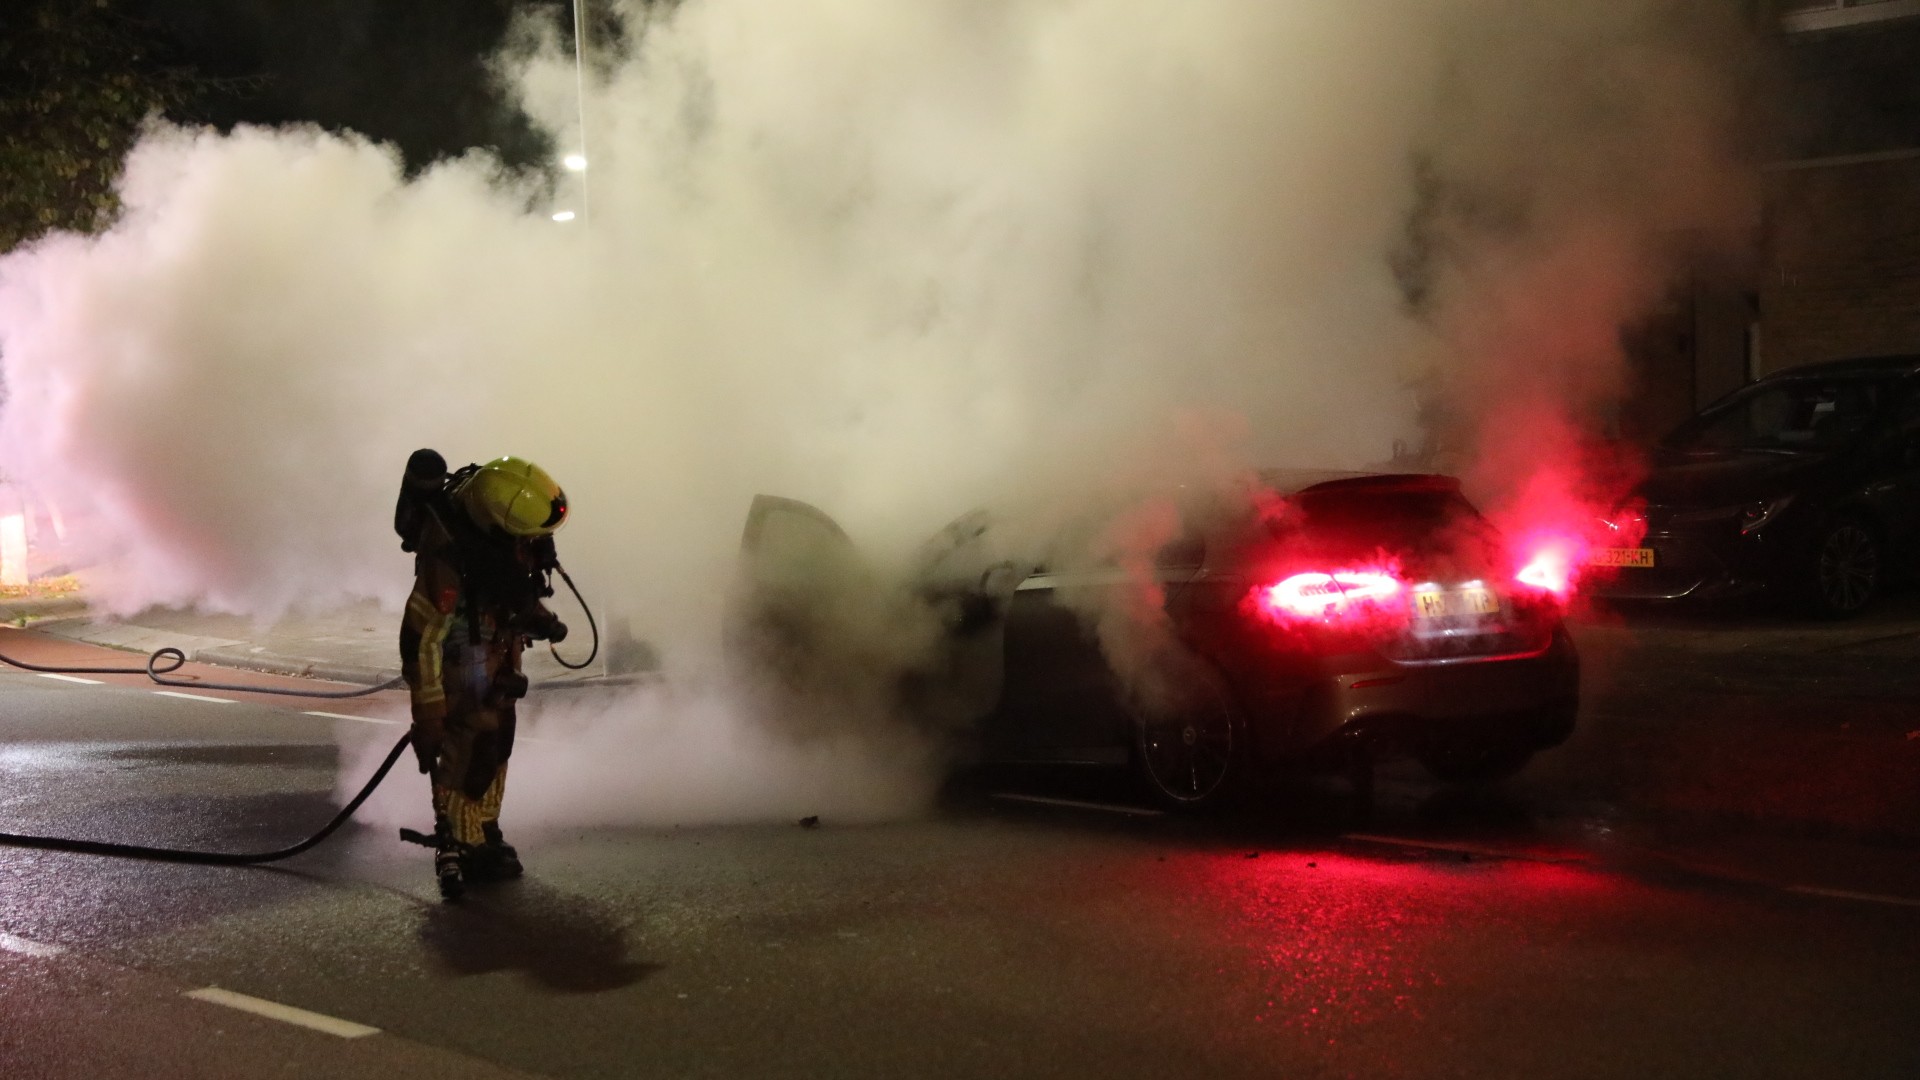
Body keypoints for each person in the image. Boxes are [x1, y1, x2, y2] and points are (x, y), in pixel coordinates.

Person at [397, 453, 570, 901]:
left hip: (498, 660)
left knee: (499, 743)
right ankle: (463, 841)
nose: (536, 545)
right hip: (462, 664)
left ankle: (485, 828)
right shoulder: (450, 561)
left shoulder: (502, 547)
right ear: (498, 525)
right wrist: (430, 715)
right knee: (470, 749)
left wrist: (540, 620)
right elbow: (421, 641)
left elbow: (511, 592)